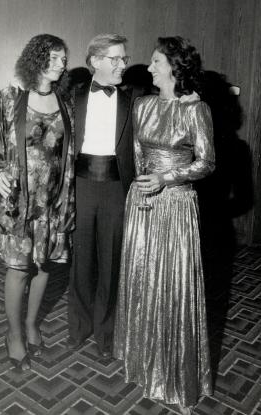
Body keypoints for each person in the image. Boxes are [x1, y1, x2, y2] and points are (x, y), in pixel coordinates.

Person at [113, 36, 214, 414]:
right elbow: (138, 156)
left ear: (173, 67)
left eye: (156, 61)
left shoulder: (196, 110)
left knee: (172, 285)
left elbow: (206, 163)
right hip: (142, 203)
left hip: (176, 205)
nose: (150, 67)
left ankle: (173, 373)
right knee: (143, 280)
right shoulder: (142, 105)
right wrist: (142, 191)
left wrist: (167, 180)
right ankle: (143, 363)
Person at [0, 34, 75, 371]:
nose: (61, 64)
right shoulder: (8, 98)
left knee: (44, 265)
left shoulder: (66, 104)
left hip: (51, 198)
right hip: (16, 200)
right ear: (35, 59)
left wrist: (66, 200)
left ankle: (32, 324)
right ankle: (14, 333)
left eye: (63, 58)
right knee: (18, 269)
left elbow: (69, 156)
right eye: (53, 57)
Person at [67, 33, 140, 358]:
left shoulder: (134, 98)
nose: (122, 64)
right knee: (80, 260)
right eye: (116, 59)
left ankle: (106, 333)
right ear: (95, 61)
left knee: (111, 263)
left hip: (115, 188)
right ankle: (79, 327)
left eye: (124, 58)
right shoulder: (73, 96)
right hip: (80, 185)